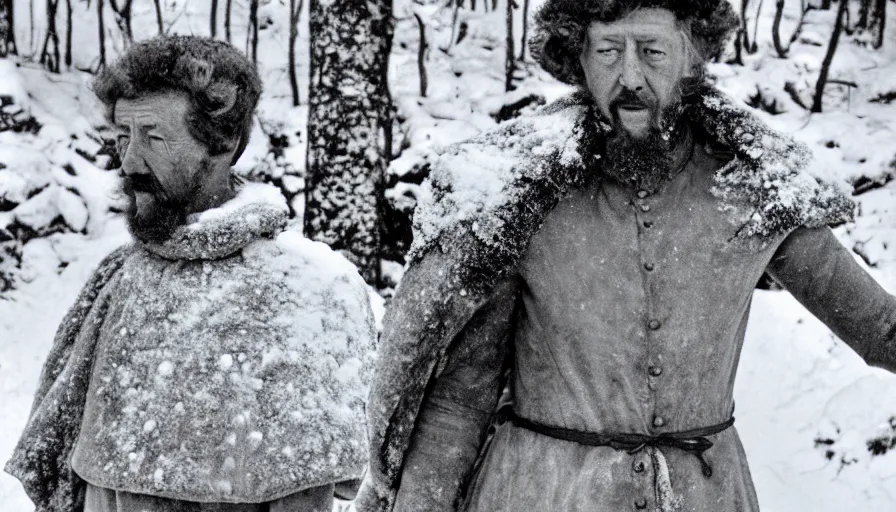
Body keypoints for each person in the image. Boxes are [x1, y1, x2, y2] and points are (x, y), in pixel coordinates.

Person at [355, 1, 896, 511]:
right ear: (579, 59)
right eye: (608, 51)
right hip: (543, 494)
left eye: (652, 51)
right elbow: (460, 399)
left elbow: (878, 327)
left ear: (692, 56)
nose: (631, 77)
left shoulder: (755, 184)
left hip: (706, 496)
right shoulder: (519, 194)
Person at [5, 35, 376, 512]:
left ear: (222, 144)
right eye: (123, 137)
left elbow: (333, 482)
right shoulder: (120, 279)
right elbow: (62, 474)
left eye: (153, 137)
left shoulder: (313, 289)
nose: (130, 161)